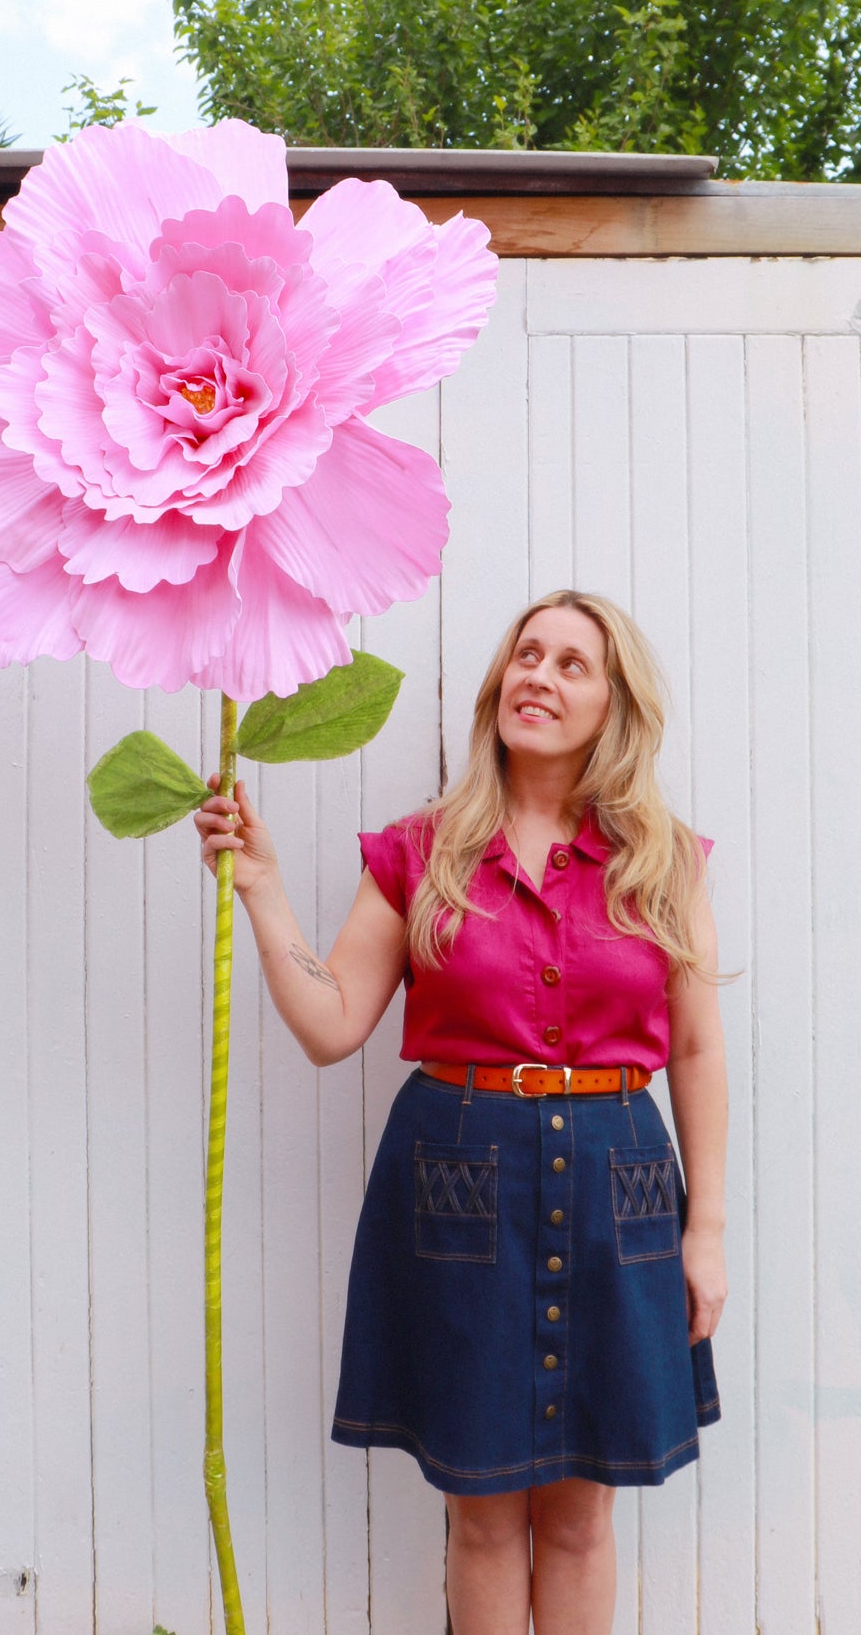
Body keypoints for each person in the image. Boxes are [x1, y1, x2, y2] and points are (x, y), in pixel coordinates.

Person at [194, 589, 729, 1635]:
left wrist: (704, 1230)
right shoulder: (421, 852)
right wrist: (261, 888)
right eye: (527, 654)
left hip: (622, 1190)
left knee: (580, 1516)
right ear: (496, 687)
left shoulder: (663, 859)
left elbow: (699, 1049)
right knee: (480, 1516)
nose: (539, 674)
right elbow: (333, 1019)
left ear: (614, 704)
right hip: (460, 1190)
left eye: (574, 663)